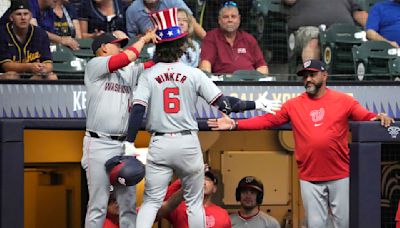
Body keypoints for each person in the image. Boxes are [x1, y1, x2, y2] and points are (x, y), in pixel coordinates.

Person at [122, 8, 281, 228]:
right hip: (187, 143)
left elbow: (137, 109)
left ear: (159, 46)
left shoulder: (148, 74)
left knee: (150, 202)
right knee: (194, 204)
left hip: (160, 142)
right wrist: (256, 104)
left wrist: (129, 143)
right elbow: (225, 105)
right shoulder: (193, 73)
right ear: (180, 46)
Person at [208, 59, 395, 228]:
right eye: (305, 76)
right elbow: (266, 121)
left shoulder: (344, 100)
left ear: (324, 75)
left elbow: (366, 117)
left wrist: (379, 117)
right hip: (309, 177)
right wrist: (235, 124)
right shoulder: (293, 104)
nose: (308, 79)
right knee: (315, 225)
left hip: (339, 174)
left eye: (312, 75)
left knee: (343, 224)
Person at [81, 29, 158, 228]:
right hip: (98, 143)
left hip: (122, 145)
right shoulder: (95, 65)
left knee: (128, 203)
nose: (121, 48)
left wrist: (163, 42)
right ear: (104, 48)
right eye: (117, 44)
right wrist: (143, 40)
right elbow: (128, 57)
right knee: (98, 204)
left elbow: (152, 65)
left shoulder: (127, 71)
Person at [282, 0, 368, 62]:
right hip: (309, 29)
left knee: (363, 44)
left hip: (343, 32)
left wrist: (373, 30)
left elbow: (359, 13)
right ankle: (312, 79)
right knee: (314, 40)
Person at [199, 1, 268, 75]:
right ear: (219, 20)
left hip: (249, 83)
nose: (230, 20)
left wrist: (257, 81)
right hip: (223, 84)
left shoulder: (249, 39)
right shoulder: (211, 37)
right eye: (226, 17)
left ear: (239, 19)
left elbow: (262, 66)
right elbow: (205, 63)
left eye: (233, 17)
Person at [156, 167, 231, 228]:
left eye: (207, 179)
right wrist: (185, 179)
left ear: (214, 188)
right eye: (200, 178)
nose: (203, 182)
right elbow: (164, 199)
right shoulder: (179, 208)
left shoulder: (222, 214)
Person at [0, 0, 56, 80]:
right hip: (6, 75)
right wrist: (30, 67)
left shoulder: (40, 34)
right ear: (11, 17)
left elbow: (48, 63)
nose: (23, 18)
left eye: (26, 14)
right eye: (18, 14)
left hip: (32, 75)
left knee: (51, 76)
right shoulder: (2, 33)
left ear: (30, 16)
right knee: (11, 76)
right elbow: (6, 66)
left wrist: (43, 69)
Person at [125, 0, 206, 39]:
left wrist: (209, 41)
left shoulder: (172, 1)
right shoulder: (132, 10)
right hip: (147, 50)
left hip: (177, 44)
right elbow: (133, 38)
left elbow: (192, 21)